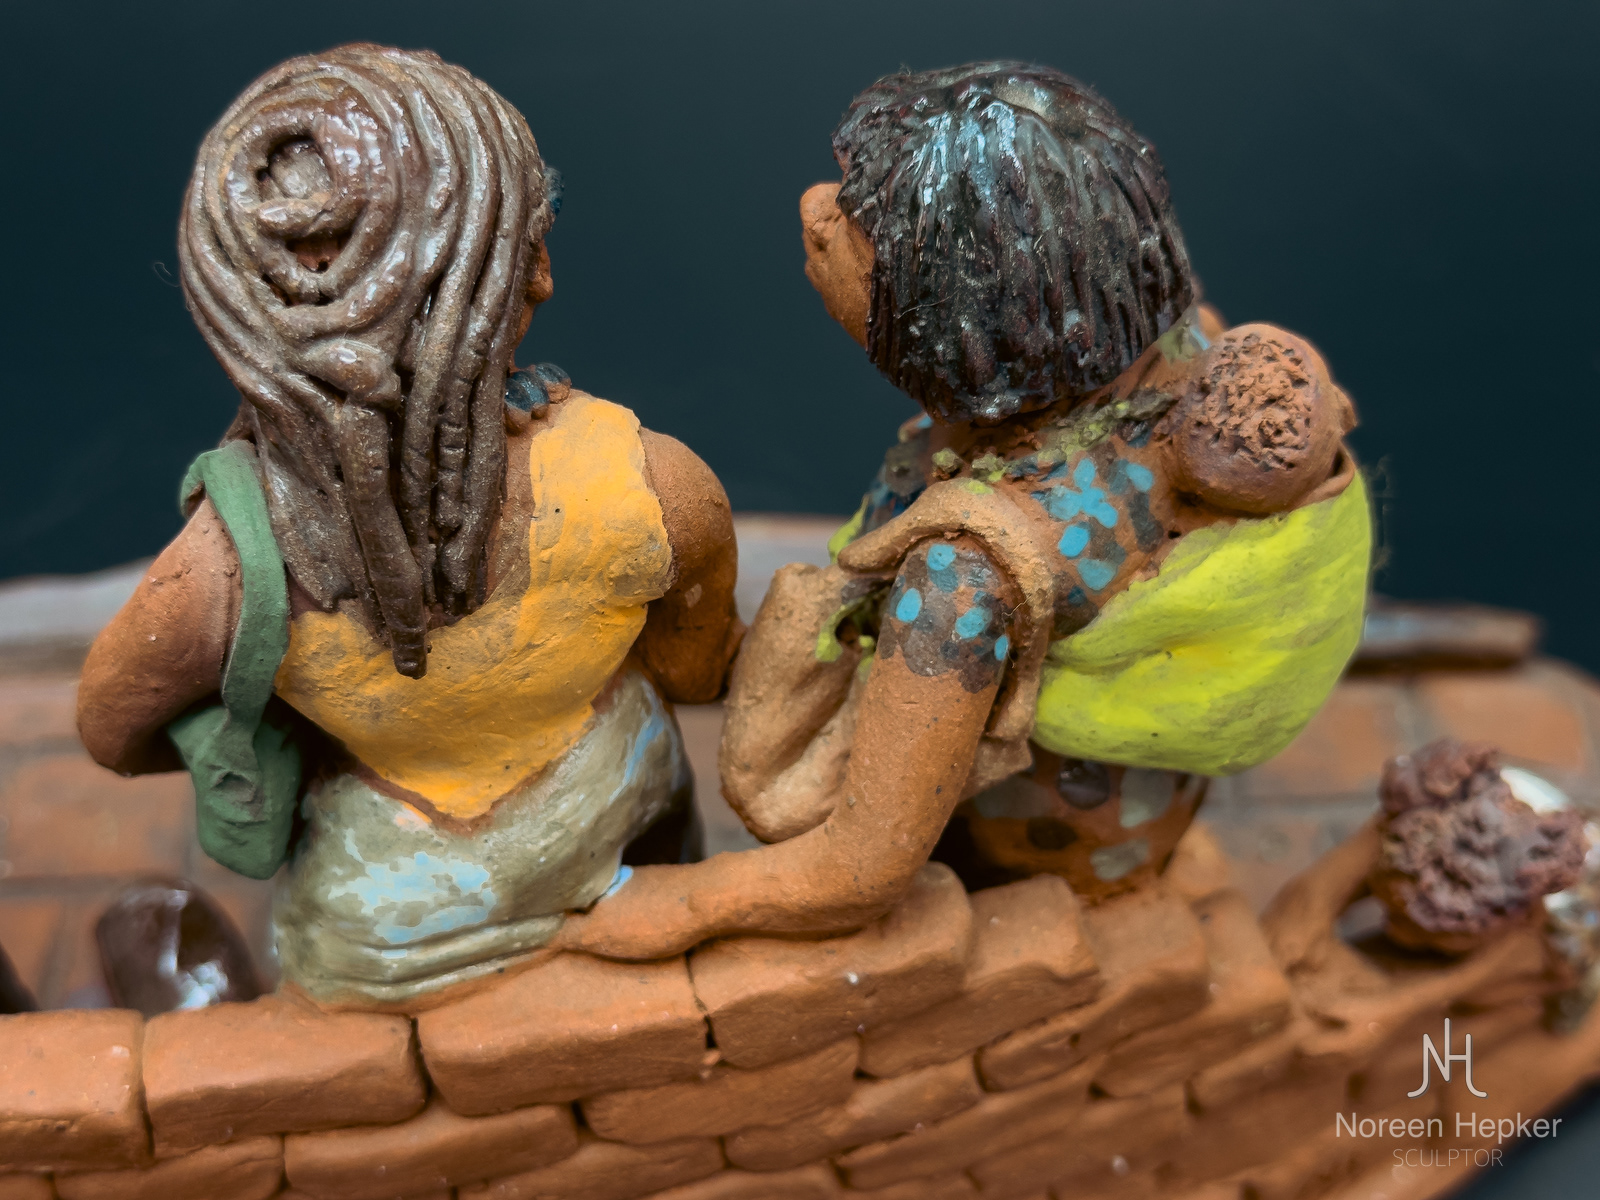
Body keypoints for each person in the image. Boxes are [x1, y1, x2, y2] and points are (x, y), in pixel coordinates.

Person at [559, 61, 1369, 959]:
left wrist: (676, 906)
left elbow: (858, 871)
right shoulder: (1169, 342)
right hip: (1132, 797)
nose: (815, 209)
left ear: (972, 313)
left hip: (1025, 852)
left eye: (862, 225)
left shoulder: (963, 579)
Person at [76, 44, 741, 1005]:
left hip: (391, 923)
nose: (544, 277)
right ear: (498, 276)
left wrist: (290, 716)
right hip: (624, 835)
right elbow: (697, 670)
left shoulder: (224, 567)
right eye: (525, 240)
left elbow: (110, 725)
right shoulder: (655, 484)